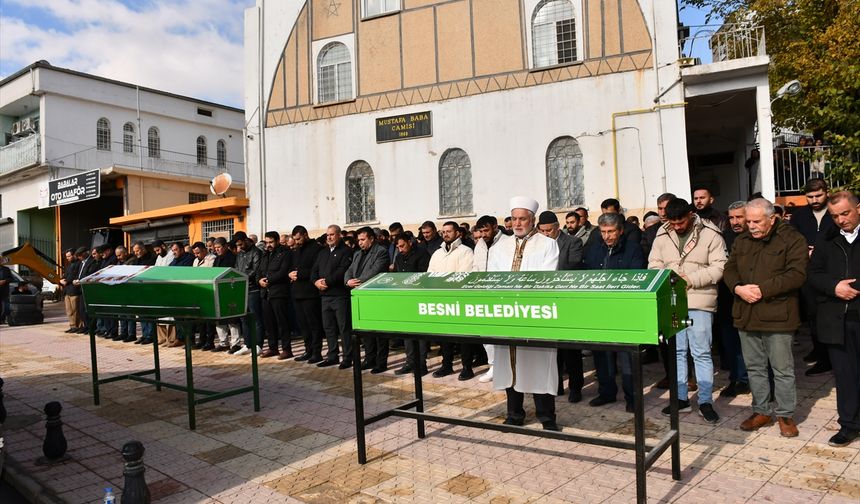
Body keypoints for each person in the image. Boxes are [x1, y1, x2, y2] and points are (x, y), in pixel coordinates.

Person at [723, 198, 808, 437]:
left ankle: (785, 415)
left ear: (772, 219)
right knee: (754, 367)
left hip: (778, 314)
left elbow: (797, 274)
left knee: (782, 369)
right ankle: (761, 410)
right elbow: (729, 269)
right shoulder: (742, 241)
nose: (751, 226)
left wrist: (762, 289)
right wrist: (738, 288)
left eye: (756, 221)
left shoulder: (792, 239)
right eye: (748, 221)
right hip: (746, 313)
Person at [649, 198, 726, 423]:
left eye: (681, 222)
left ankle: (705, 401)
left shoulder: (711, 233)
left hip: (700, 301)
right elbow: (654, 264)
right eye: (673, 222)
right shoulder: (662, 234)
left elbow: (720, 267)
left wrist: (689, 280)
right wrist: (669, 279)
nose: (677, 226)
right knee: (677, 352)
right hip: (672, 301)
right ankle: (680, 399)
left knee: (701, 352)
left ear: (691, 215)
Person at [488, 196, 561, 431]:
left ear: (533, 220)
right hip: (507, 314)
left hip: (533, 314)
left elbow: (546, 279)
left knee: (539, 366)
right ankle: (514, 414)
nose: (517, 223)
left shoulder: (547, 244)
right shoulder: (500, 247)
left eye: (523, 219)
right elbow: (493, 279)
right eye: (514, 219)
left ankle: (547, 417)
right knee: (509, 366)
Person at [808, 191, 860, 447]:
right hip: (836, 319)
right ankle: (849, 425)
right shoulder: (826, 238)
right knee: (845, 375)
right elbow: (813, 274)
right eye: (835, 216)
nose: (840, 220)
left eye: (845, 213)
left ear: (858, 208)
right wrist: (834, 287)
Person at [583, 213, 646, 412]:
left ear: (620, 231)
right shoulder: (593, 250)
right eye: (603, 232)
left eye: (611, 231)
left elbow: (636, 278)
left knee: (627, 359)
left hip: (623, 310)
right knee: (602, 356)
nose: (607, 236)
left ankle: (632, 398)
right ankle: (607, 392)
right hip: (599, 310)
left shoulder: (633, 249)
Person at [790, 177, 836, 376]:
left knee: (829, 315)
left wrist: (819, 251)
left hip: (832, 271)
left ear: (827, 192)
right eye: (810, 197)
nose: (815, 200)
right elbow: (793, 239)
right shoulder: (799, 216)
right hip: (808, 272)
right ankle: (819, 351)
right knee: (812, 314)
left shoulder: (835, 213)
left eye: (819, 195)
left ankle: (829, 356)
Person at [537, 211, 584, 403]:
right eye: (543, 231)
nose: (546, 234)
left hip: (566, 301)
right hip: (546, 302)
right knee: (551, 350)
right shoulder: (538, 246)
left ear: (557, 227)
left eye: (549, 230)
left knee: (571, 349)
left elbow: (573, 267)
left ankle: (575, 387)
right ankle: (555, 385)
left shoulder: (573, 242)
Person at [429, 221, 478, 380]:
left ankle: (467, 367)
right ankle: (447, 365)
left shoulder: (466, 251)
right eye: (443, 231)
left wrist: (445, 283)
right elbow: (431, 274)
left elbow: (464, 275)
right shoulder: (438, 253)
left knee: (464, 337)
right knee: (445, 336)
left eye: (449, 231)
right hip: (441, 300)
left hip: (459, 300)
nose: (446, 234)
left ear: (458, 233)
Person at [345, 227, 390, 373]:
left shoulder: (381, 251)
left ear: (371, 238)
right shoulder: (358, 254)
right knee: (366, 331)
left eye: (363, 239)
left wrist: (356, 281)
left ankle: (381, 362)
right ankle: (369, 359)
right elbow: (349, 270)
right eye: (358, 240)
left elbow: (375, 272)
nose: (360, 243)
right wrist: (347, 281)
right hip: (361, 296)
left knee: (380, 333)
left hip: (376, 296)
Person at [717, 201, 751, 397]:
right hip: (726, 300)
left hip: (749, 299)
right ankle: (736, 379)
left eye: (739, 217)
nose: (735, 221)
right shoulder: (723, 238)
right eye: (731, 217)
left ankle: (753, 380)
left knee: (751, 345)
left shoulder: (755, 237)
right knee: (731, 344)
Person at [312, 225, 354, 369]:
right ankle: (332, 355)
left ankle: (348, 357)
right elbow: (314, 270)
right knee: (328, 328)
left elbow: (342, 271)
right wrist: (316, 282)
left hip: (339, 296)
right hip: (324, 296)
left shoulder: (347, 251)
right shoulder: (322, 253)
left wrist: (326, 282)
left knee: (344, 328)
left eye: (332, 235)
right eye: (327, 235)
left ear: (339, 235)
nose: (329, 237)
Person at [472, 215, 508, 383]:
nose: (484, 234)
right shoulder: (479, 244)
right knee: (486, 334)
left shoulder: (507, 242)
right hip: (482, 294)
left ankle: (506, 366)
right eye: (481, 231)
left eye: (486, 230)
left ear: (495, 227)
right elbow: (476, 267)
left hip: (501, 295)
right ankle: (493, 366)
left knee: (503, 334)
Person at [393, 234, 431, 375]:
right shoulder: (398, 257)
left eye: (402, 246)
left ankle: (421, 364)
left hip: (418, 297)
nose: (400, 249)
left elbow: (424, 276)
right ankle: (410, 362)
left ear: (409, 242)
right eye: (398, 247)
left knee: (419, 334)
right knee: (406, 333)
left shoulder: (421, 254)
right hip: (404, 299)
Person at [289, 225, 325, 363]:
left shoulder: (317, 249)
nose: (297, 242)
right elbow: (292, 267)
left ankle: (317, 352)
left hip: (310, 293)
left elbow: (317, 270)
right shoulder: (296, 250)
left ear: (305, 234)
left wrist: (299, 274)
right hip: (297, 292)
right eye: (295, 239)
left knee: (314, 324)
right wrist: (290, 273)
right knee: (303, 325)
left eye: (298, 239)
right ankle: (308, 350)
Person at [258, 232, 294, 360]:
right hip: (265, 294)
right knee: (269, 322)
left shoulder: (284, 253)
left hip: (279, 292)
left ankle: (286, 349)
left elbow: (283, 271)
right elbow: (259, 271)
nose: (268, 245)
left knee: (282, 322)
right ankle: (273, 347)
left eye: (271, 242)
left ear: (277, 241)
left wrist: (268, 280)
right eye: (266, 242)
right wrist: (259, 281)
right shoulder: (265, 254)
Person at [233, 231, 264, 356]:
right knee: (243, 317)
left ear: (246, 240)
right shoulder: (240, 254)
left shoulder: (256, 252)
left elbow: (255, 270)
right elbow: (236, 268)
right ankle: (247, 344)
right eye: (238, 245)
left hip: (253, 289)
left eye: (241, 244)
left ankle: (258, 345)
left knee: (256, 318)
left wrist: (241, 277)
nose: (240, 247)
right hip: (242, 288)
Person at [212, 237, 240, 352]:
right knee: (219, 319)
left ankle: (235, 344)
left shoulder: (233, 257)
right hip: (218, 291)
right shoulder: (216, 259)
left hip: (230, 290)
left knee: (232, 319)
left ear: (225, 246)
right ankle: (223, 342)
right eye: (215, 248)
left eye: (218, 247)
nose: (217, 250)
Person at [127, 242, 157, 344]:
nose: (136, 253)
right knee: (141, 313)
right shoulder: (135, 260)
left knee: (149, 313)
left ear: (143, 249)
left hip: (148, 289)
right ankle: (144, 334)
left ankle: (150, 335)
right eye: (134, 251)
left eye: (137, 250)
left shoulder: (152, 258)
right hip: (138, 289)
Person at [641, 193, 676, 260]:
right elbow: (645, 255)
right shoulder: (649, 232)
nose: (663, 213)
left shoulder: (683, 228)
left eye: (666, 208)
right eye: (660, 208)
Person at [59, 248, 82, 332]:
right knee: (69, 310)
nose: (67, 258)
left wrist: (66, 281)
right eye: (66, 257)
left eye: (69, 256)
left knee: (76, 310)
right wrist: (61, 279)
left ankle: (78, 326)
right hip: (67, 291)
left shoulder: (79, 264)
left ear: (73, 255)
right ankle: (72, 326)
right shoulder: (69, 265)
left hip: (74, 290)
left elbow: (74, 275)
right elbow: (65, 275)